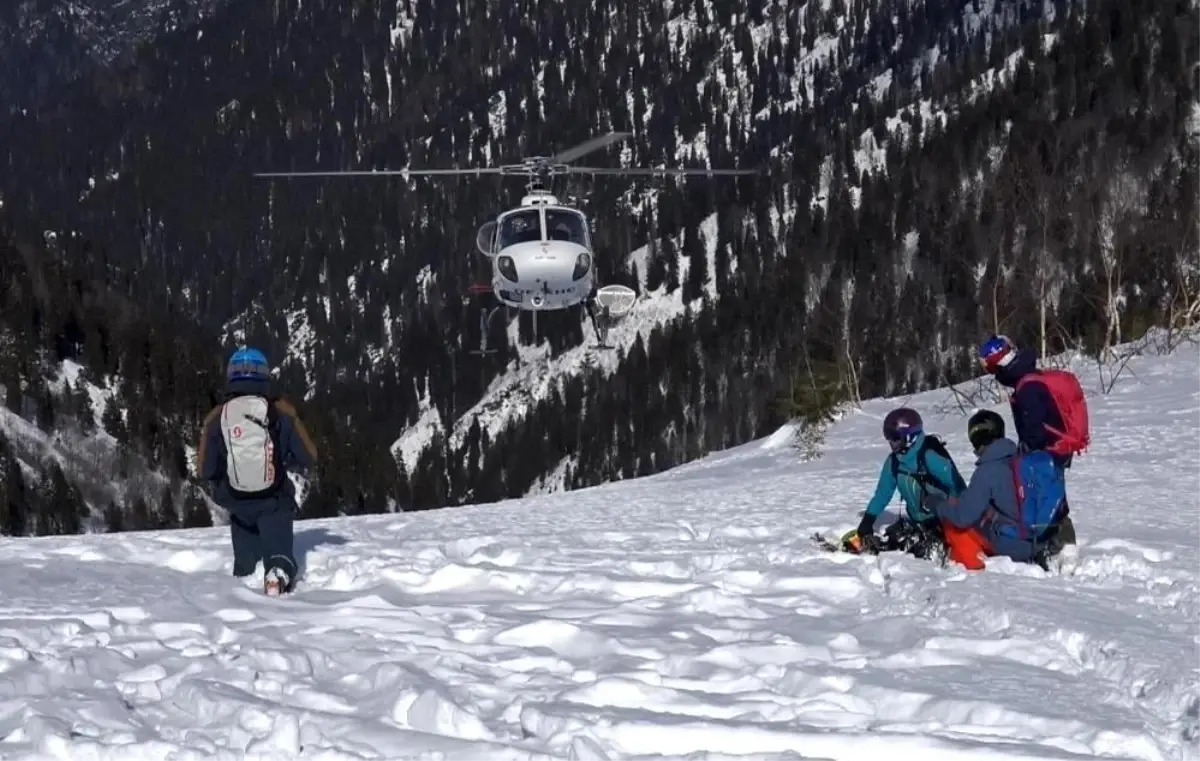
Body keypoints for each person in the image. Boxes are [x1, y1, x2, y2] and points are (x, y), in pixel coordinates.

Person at [197, 347, 318, 595]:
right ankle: (277, 574)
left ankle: (242, 583)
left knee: (245, 565)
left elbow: (205, 470)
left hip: (237, 502)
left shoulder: (218, 417)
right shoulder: (280, 412)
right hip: (273, 501)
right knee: (278, 552)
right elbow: (309, 455)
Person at [929, 409, 1070, 570]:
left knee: (953, 522)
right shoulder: (1021, 458)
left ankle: (971, 568)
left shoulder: (988, 469)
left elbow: (963, 517)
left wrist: (938, 505)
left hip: (1013, 546)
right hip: (1041, 539)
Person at [977, 334, 1082, 546]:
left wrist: (1026, 451)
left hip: (1049, 450)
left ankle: (1053, 542)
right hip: (1057, 446)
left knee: (1047, 498)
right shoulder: (1027, 376)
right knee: (1051, 495)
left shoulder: (1027, 388)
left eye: (989, 368)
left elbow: (1034, 430)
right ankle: (1056, 539)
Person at [842, 407, 967, 558]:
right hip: (916, 522)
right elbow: (883, 494)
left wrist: (952, 518)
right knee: (891, 542)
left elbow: (959, 488)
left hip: (942, 523)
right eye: (889, 438)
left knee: (920, 554)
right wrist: (867, 522)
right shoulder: (894, 461)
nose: (891, 443)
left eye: (895, 438)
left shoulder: (930, 457)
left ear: (910, 437)